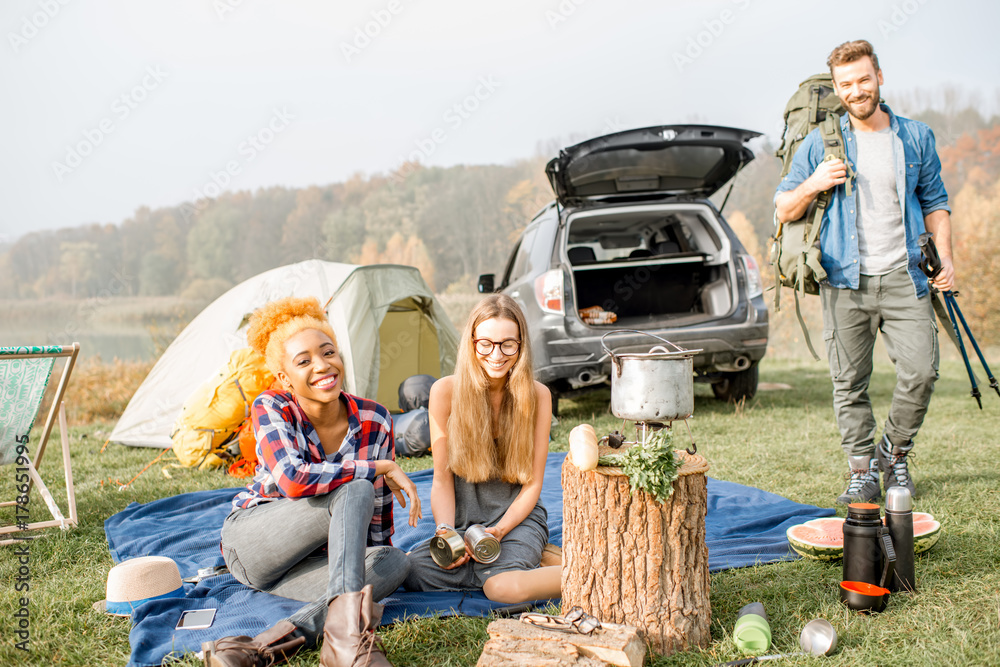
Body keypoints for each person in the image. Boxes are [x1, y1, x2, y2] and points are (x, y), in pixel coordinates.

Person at [774, 40, 954, 504]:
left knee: (922, 371)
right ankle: (861, 470)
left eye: (864, 79)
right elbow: (783, 208)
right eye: (847, 84)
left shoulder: (915, 137)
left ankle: (893, 454)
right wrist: (815, 182)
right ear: (837, 89)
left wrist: (946, 258)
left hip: (905, 275)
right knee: (848, 383)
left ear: (879, 77)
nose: (857, 90)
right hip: (843, 279)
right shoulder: (820, 142)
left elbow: (935, 202)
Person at [205, 296, 421, 667]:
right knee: (356, 485)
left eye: (328, 353)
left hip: (314, 566)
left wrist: (370, 561)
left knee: (394, 562)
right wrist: (377, 468)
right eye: (303, 361)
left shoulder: (376, 419)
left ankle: (261, 649)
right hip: (256, 545)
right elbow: (292, 479)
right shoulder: (271, 407)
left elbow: (376, 522)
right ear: (285, 377)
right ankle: (346, 641)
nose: (322, 366)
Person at [403, 294, 561, 603]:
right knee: (409, 572)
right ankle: (535, 563)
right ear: (472, 343)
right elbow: (441, 480)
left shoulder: (538, 396)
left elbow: (534, 484)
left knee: (500, 588)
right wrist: (445, 531)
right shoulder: (445, 391)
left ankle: (595, 570)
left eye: (507, 344)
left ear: (521, 346)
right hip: (462, 522)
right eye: (486, 343)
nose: (496, 354)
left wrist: (500, 531)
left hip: (514, 520)